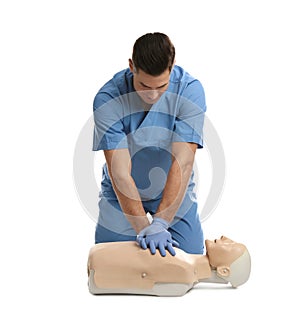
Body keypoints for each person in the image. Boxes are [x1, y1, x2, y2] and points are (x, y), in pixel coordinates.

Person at [92, 32, 207, 257]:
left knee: (191, 257)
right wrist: (143, 228)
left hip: (173, 188)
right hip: (121, 194)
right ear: (131, 66)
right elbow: (120, 173)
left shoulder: (190, 91)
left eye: (161, 86)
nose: (152, 94)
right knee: (108, 261)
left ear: (172, 67)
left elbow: (183, 163)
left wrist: (161, 222)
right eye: (144, 85)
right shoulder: (108, 99)